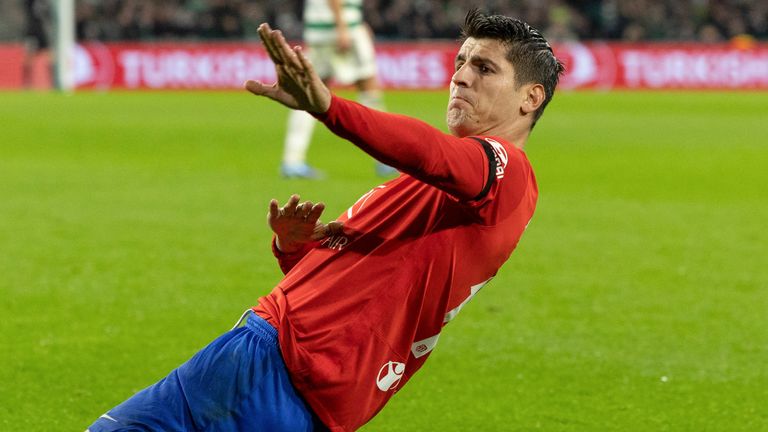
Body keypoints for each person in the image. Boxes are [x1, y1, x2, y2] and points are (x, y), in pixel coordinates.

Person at [86, 9, 564, 432]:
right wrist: (297, 250)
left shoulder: (506, 171)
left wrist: (329, 108)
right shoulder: (441, 190)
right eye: (461, 62)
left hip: (281, 365)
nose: (461, 77)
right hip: (305, 380)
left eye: (484, 68)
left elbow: (428, 149)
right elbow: (367, 287)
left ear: (530, 98)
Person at [280, 0, 394, 178]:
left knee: (310, 93)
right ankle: (386, 158)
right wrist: (343, 26)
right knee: (369, 89)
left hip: (324, 29)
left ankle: (292, 160)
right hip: (338, 28)